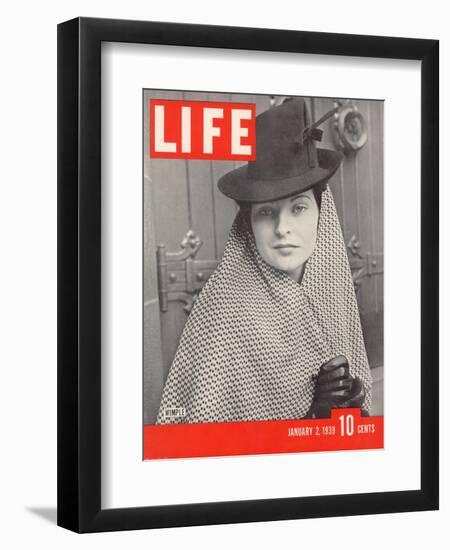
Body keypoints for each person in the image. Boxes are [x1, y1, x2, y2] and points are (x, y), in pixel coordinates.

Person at [156, 97, 372, 424]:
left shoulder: (332, 293)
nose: (283, 228)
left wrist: (347, 405)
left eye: (298, 208)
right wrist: (310, 415)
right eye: (266, 212)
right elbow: (199, 444)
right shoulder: (224, 312)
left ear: (320, 215)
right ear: (248, 223)